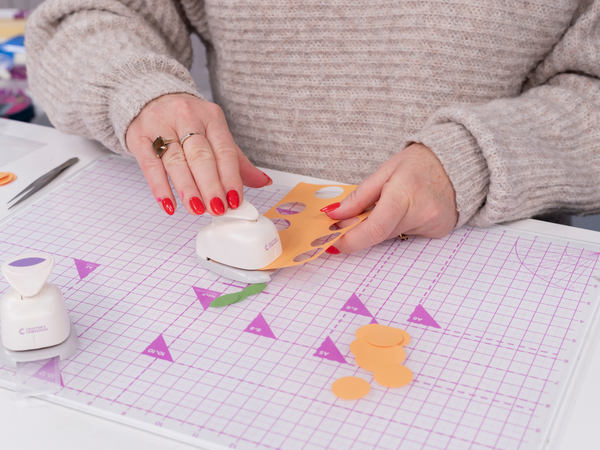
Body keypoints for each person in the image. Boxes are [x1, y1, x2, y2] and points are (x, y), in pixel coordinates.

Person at [26, 0, 600, 255]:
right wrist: (139, 91)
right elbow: (88, 15)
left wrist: (473, 160)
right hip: (246, 262)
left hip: (486, 265)